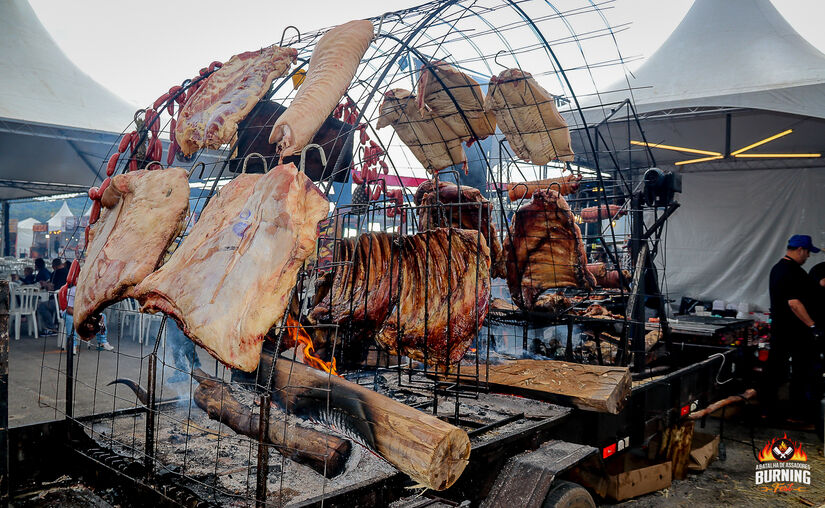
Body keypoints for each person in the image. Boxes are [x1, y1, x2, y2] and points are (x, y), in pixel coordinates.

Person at [766, 234, 823, 424]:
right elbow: (794, 303)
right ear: (800, 250)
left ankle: (769, 410)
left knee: (776, 370)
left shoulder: (780, 269)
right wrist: (812, 326)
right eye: (807, 253)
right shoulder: (790, 271)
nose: (807, 257)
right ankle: (797, 414)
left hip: (782, 331)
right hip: (794, 332)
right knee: (801, 372)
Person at [64, 282, 114, 353]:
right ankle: (72, 345)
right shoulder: (73, 291)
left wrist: (96, 314)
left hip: (85, 313)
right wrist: (82, 315)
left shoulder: (92, 291)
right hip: (72, 313)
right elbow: (69, 310)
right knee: (70, 319)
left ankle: (102, 342)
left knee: (102, 317)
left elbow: (95, 308)